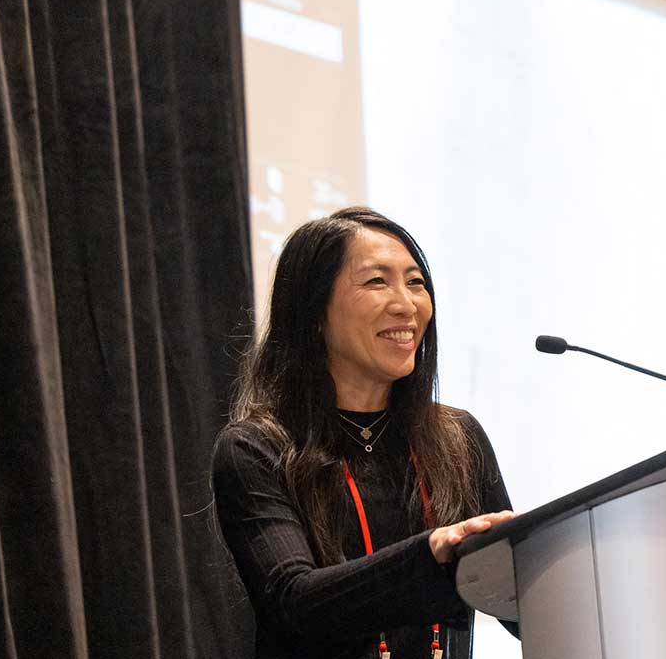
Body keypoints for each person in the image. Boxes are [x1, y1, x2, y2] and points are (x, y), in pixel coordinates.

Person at [212, 207, 517, 659]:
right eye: (377, 281)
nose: (406, 304)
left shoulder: (458, 437)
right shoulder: (257, 448)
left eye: (415, 282)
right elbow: (295, 603)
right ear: (314, 311)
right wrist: (429, 555)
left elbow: (518, 597)